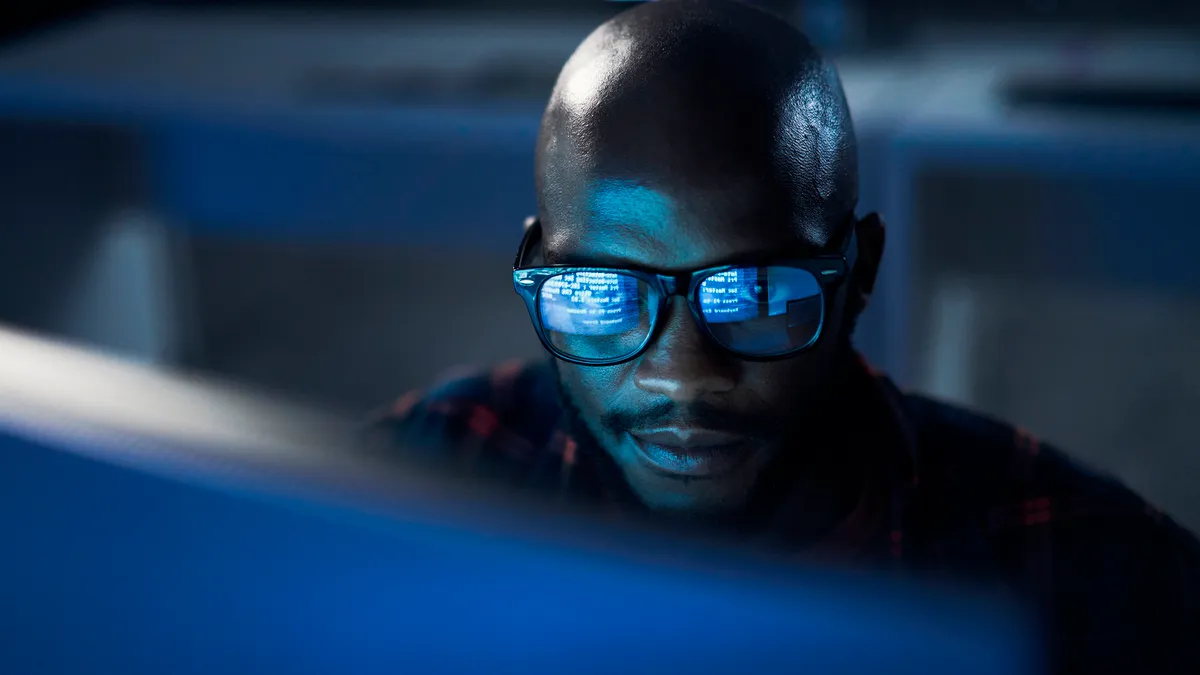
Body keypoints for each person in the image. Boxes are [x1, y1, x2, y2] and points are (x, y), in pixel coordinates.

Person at [369, 0, 1200, 671]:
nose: (682, 375)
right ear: (538, 267)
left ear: (860, 270)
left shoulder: (1091, 580)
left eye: (753, 291)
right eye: (601, 291)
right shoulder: (428, 474)